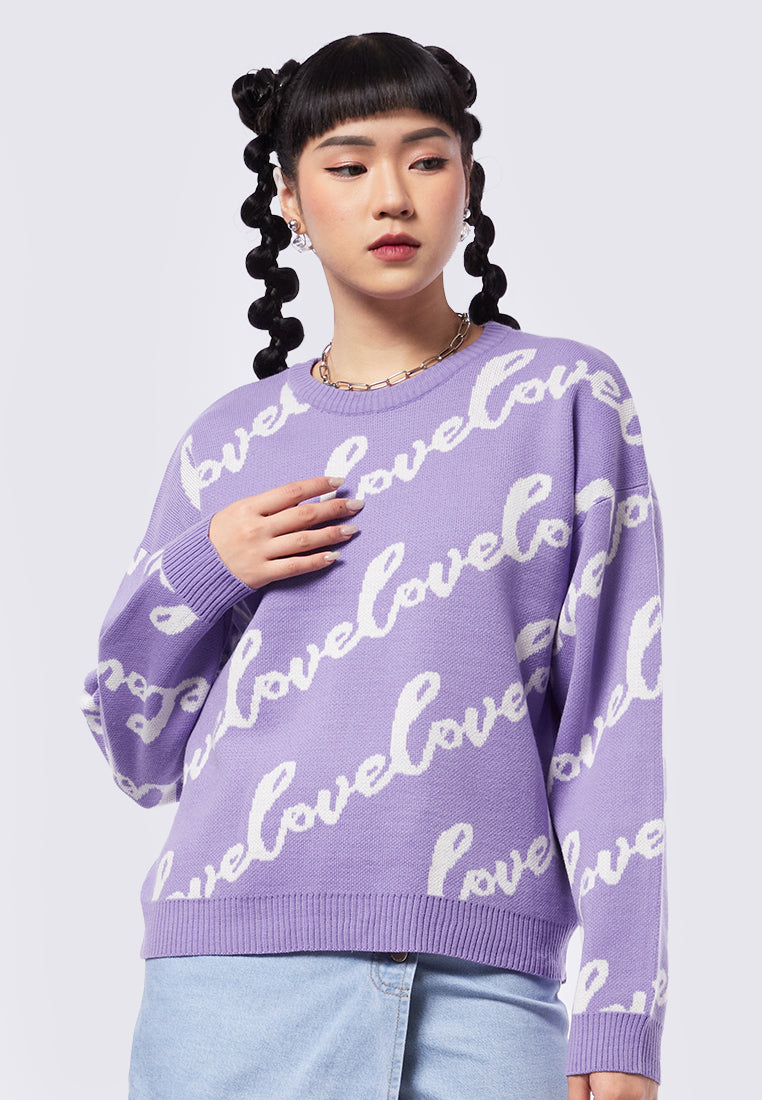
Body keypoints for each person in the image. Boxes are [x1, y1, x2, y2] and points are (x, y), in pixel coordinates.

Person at [82, 31, 666, 1100]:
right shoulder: (227, 442)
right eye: (348, 166)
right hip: (229, 990)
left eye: (426, 159)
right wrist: (208, 566)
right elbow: (138, 754)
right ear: (290, 201)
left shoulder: (564, 401)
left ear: (467, 182)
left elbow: (610, 720)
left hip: (487, 988)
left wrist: (621, 1010)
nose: (392, 196)